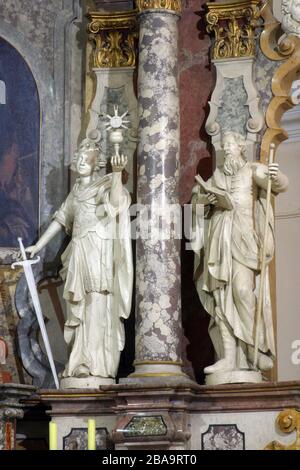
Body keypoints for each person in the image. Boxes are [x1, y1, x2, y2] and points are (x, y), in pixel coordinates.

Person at [26, 136, 133, 385]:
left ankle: (96, 363)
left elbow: (118, 204)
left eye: (88, 158)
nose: (83, 161)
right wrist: (38, 246)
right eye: (80, 158)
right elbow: (61, 220)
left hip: (99, 250)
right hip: (79, 251)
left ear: (97, 163)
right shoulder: (76, 192)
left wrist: (117, 174)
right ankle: (79, 360)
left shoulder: (104, 185)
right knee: (79, 306)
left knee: (97, 304)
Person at [191, 132, 289, 380]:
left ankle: (254, 350)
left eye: (230, 146)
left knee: (242, 292)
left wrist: (276, 176)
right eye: (223, 147)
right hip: (219, 240)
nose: (226, 151)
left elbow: (279, 185)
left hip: (243, 241)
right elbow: (198, 204)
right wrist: (205, 199)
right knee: (221, 298)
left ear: (241, 149)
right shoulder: (219, 175)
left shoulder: (252, 170)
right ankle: (229, 358)